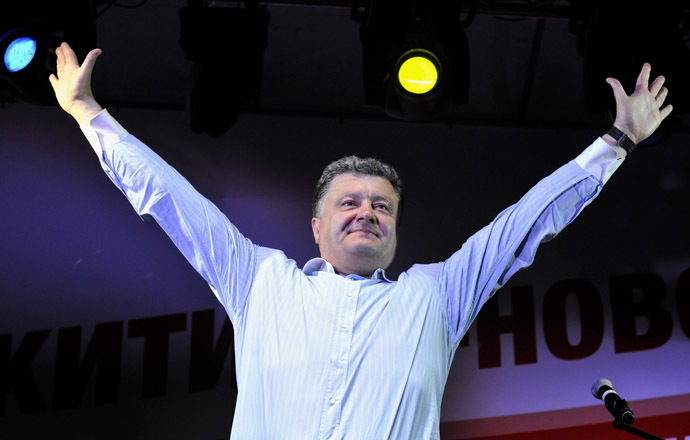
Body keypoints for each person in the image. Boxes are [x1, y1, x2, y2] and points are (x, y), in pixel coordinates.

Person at [49, 42, 672, 439]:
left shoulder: (435, 295)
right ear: (316, 226)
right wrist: (89, 117)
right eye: (348, 203)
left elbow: (527, 221)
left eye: (382, 207)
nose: (366, 213)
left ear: (396, 229)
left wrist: (617, 142)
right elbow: (171, 201)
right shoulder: (261, 280)